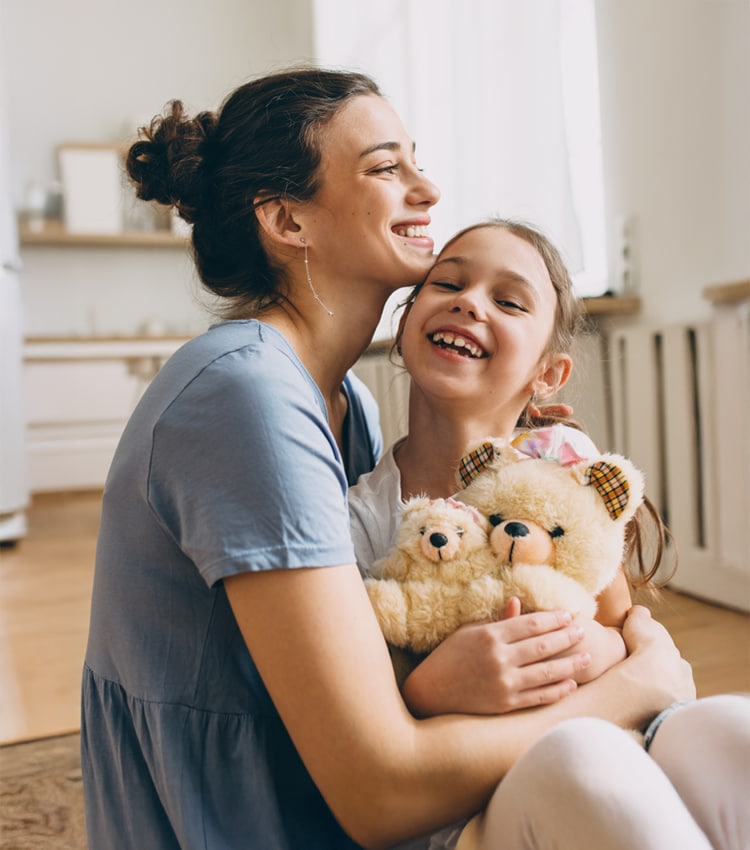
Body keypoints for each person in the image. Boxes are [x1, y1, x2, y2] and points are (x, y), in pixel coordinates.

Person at [81, 66, 699, 850]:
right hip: (239, 818)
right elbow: (380, 789)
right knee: (583, 764)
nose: (428, 189)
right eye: (385, 167)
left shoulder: (347, 405)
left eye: (417, 158)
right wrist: (634, 687)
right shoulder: (246, 397)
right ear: (287, 220)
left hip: (309, 776)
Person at [348, 218, 750, 850]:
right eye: (446, 282)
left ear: (548, 374)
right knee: (583, 757)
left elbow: (625, 632)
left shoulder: (562, 475)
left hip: (612, 732)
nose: (469, 301)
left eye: (507, 301)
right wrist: (428, 687)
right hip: (469, 802)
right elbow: (367, 718)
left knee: (734, 728)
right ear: (403, 325)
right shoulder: (363, 518)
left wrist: (606, 653)